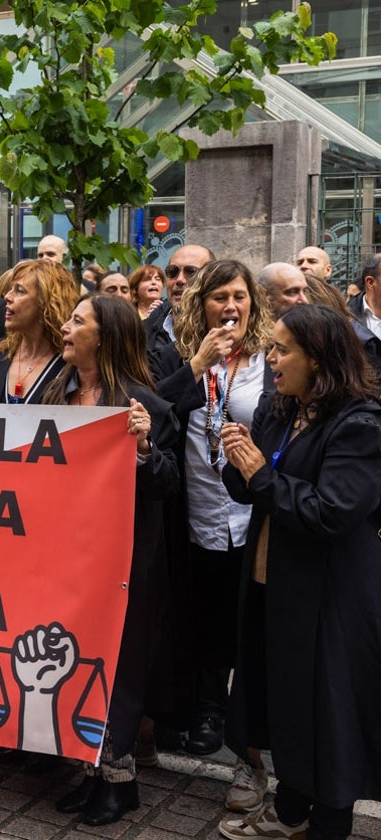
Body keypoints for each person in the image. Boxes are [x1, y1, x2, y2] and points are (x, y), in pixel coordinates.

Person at [218, 304, 381, 840]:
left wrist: (260, 475)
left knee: (326, 712)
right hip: (274, 582)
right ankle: (290, 809)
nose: (271, 358)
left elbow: (331, 511)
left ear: (319, 358)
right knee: (284, 703)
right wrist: (236, 460)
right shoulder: (284, 407)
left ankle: (328, 821)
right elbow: (251, 488)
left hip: (328, 597)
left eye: (283, 349)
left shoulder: (358, 422)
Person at [45, 296, 180, 826]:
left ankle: (120, 780)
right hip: (64, 557)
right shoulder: (54, 392)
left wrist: (143, 447)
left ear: (105, 337)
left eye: (78, 321)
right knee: (77, 660)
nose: (65, 326)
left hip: (124, 564)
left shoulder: (147, 405)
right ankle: (92, 772)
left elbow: (167, 487)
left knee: (117, 667)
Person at [151, 259, 273, 768]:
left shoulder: (269, 359)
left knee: (241, 616)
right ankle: (203, 709)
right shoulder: (179, 357)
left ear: (253, 305)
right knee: (199, 612)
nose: (230, 307)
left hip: (251, 511)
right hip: (196, 506)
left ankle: (238, 719)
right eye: (219, 297)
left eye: (239, 296)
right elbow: (155, 410)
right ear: (201, 306)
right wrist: (198, 365)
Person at [0, 259, 79, 405]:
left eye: (19, 290)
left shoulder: (72, 371)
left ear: (46, 302)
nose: (7, 296)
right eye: (11, 289)